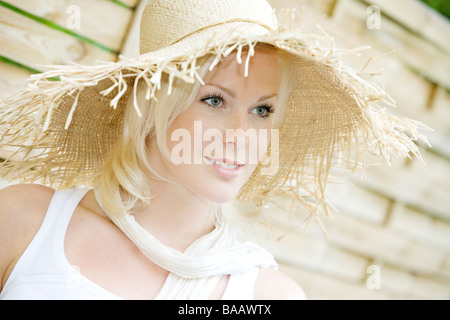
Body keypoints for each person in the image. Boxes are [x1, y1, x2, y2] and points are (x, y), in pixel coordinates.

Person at [0, 0, 428, 300]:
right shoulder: (24, 220)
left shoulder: (266, 294)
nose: (243, 134)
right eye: (215, 100)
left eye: (262, 109)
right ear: (152, 106)